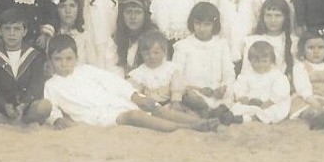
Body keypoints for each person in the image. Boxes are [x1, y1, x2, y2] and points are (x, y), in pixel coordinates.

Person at [44, 35, 217, 133]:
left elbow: (113, 82)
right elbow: (51, 108)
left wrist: (134, 96)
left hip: (116, 101)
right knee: (134, 115)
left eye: (68, 58)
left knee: (155, 108)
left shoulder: (86, 70)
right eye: (58, 59)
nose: (64, 63)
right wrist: (56, 119)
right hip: (96, 115)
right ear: (50, 61)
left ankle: (197, 122)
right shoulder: (51, 85)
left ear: (76, 57)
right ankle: (184, 128)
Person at [0, 7, 52, 127]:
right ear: (0, 31)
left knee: (45, 106)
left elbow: (36, 85)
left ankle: (15, 123)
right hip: (3, 111)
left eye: (17, 29)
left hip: (27, 109)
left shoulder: (34, 56)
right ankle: (15, 124)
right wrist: (5, 105)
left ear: (24, 32)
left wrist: (24, 104)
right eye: (7, 29)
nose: (12, 33)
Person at [171, 2, 236, 124]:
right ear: (192, 23)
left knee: (226, 102)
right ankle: (205, 113)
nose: (202, 28)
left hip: (216, 94)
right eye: (198, 23)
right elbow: (177, 77)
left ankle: (213, 113)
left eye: (207, 24)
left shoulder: (221, 45)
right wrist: (198, 90)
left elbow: (229, 74)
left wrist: (222, 88)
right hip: (194, 93)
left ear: (214, 25)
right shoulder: (183, 46)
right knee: (191, 99)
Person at [126, 30, 208, 126]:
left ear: (164, 52)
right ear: (141, 53)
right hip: (153, 108)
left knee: (188, 115)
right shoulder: (140, 73)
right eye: (146, 53)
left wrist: (176, 102)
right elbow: (133, 91)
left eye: (156, 53)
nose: (151, 56)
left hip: (171, 103)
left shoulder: (170, 69)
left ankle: (199, 123)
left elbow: (177, 88)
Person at [289, 30, 324, 130]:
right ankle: (318, 119)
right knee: (308, 111)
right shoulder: (300, 67)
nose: (316, 52)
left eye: (320, 47)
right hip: (308, 100)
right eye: (311, 48)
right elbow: (303, 89)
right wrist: (318, 107)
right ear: (303, 50)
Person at [229, 40, 291, 124]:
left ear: (272, 61)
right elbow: (239, 86)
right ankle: (245, 117)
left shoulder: (276, 74)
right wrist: (242, 96)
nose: (260, 65)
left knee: (274, 111)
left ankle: (249, 118)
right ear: (250, 61)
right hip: (251, 102)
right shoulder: (247, 73)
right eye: (256, 61)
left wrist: (267, 103)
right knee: (236, 107)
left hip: (270, 103)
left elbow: (281, 92)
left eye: (264, 61)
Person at [243, 0, 295, 78]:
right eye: (268, 15)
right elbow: (246, 71)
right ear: (262, 17)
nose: (273, 20)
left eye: (278, 16)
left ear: (285, 18)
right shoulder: (252, 40)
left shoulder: (293, 41)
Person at [112, 0, 156, 78]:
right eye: (128, 12)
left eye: (138, 12)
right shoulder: (116, 39)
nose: (133, 17)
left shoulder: (154, 40)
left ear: (145, 15)